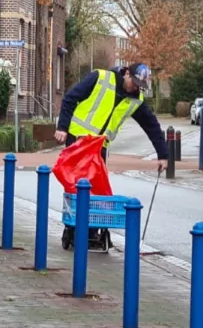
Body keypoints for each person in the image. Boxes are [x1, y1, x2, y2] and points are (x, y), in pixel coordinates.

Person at [54, 63, 169, 247]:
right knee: (78, 187)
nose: (136, 88)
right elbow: (70, 98)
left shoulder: (135, 100)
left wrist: (163, 154)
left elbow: (151, 125)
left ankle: (90, 231)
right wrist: (62, 127)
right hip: (78, 140)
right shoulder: (100, 78)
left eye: (140, 86)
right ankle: (74, 228)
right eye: (134, 83)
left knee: (96, 188)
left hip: (100, 146)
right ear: (126, 73)